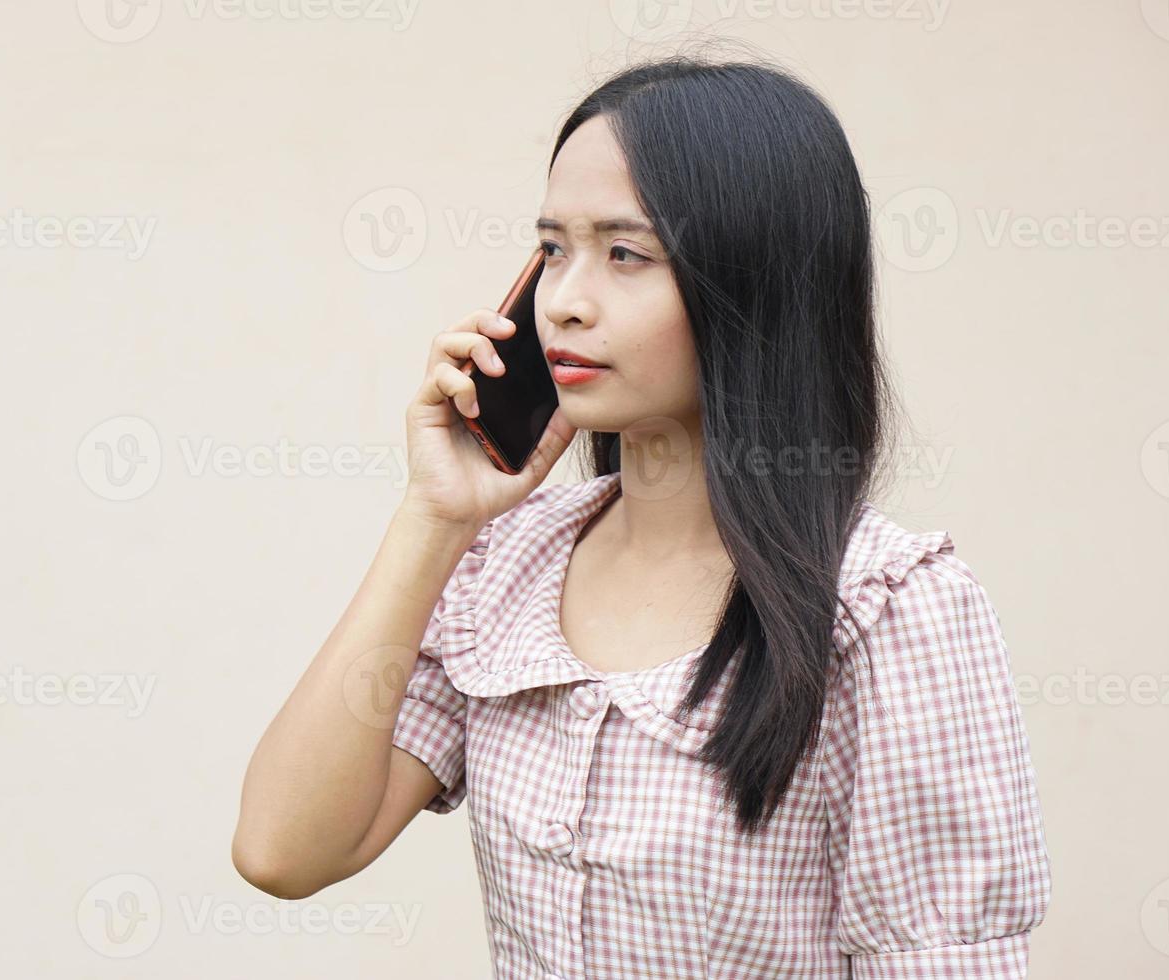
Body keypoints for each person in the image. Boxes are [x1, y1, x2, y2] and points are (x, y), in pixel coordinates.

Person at [233, 53, 1052, 979]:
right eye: (551, 250)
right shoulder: (510, 569)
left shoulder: (886, 610)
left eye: (626, 254)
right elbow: (284, 850)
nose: (566, 303)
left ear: (753, 285)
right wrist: (434, 517)